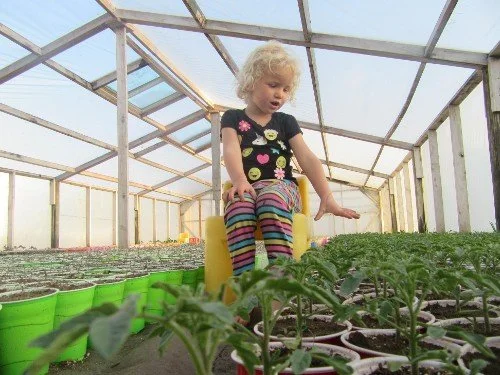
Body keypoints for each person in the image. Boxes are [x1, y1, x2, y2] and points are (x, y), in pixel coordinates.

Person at [221, 40, 360, 278]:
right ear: (251, 82)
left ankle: (281, 280)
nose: (280, 94)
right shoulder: (232, 118)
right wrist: (240, 181)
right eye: (273, 85)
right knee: (239, 207)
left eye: (286, 89)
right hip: (247, 186)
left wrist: (327, 197)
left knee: (271, 200)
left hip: (282, 189)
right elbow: (231, 149)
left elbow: (307, 158)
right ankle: (243, 284)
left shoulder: (286, 121)